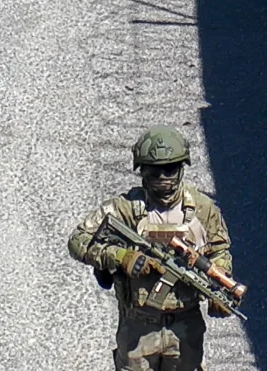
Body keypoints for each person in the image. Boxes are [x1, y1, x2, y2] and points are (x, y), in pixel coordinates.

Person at [67, 126, 238, 370]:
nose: (162, 178)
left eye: (169, 170)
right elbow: (78, 240)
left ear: (181, 168)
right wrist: (121, 256)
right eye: (154, 171)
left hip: (185, 325)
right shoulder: (126, 208)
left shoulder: (202, 208)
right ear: (142, 170)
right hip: (139, 325)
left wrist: (219, 287)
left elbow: (220, 250)